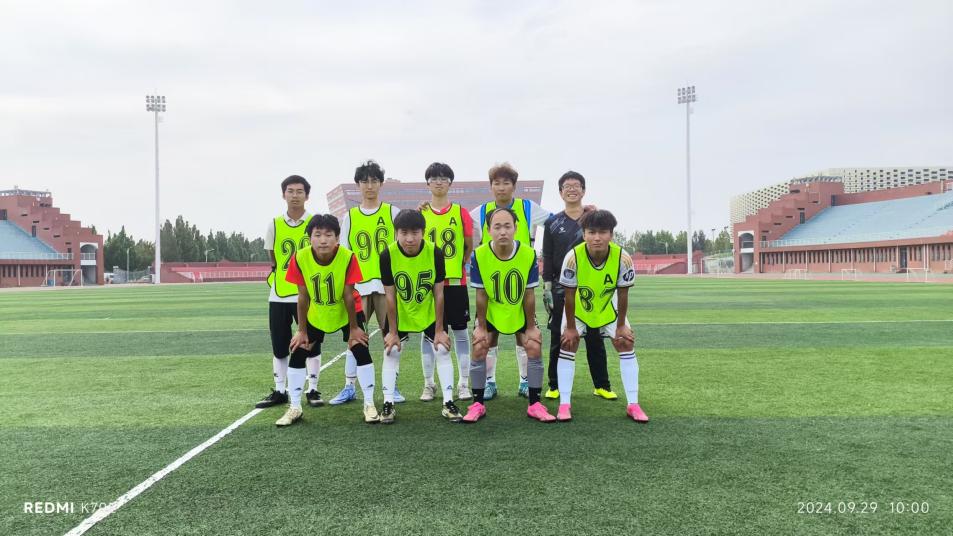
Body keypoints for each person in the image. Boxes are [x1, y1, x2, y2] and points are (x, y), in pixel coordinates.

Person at [279, 214, 380, 426]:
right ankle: (295, 407)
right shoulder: (300, 257)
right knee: (299, 350)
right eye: (318, 235)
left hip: (347, 311)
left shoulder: (348, 257)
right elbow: (303, 296)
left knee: (360, 348)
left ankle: (369, 404)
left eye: (328, 235)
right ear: (310, 238)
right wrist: (301, 330)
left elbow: (348, 295)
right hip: (317, 312)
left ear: (337, 237)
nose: (323, 240)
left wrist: (354, 328)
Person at [463, 207, 555, 423]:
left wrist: (531, 327)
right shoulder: (479, 255)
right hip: (493, 310)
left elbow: (529, 294)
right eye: (497, 227)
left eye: (507, 226)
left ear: (516, 228)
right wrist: (481, 327)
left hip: (518, 310)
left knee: (533, 344)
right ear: (488, 230)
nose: (502, 231)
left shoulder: (528, 254)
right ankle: (477, 404)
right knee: (479, 345)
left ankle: (535, 404)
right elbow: (481, 294)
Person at [557, 210, 649, 423]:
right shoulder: (572, 257)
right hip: (579, 308)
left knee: (625, 342)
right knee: (568, 344)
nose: (597, 237)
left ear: (611, 235)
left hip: (608, 307)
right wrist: (570, 327)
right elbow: (569, 295)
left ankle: (633, 404)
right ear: (584, 234)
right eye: (591, 232)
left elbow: (623, 293)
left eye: (603, 232)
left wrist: (621, 325)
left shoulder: (623, 258)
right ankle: (564, 404)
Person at [469, 163, 551, 399]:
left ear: (514, 186)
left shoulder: (527, 207)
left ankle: (525, 381)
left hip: (520, 279)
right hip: (494, 282)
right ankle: (489, 382)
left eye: (506, 182)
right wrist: (424, 210)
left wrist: (581, 212)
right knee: (489, 336)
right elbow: (455, 219)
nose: (501, 187)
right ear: (491, 186)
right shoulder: (481, 211)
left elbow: (556, 221)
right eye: (497, 183)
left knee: (523, 335)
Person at [329, 160, 405, 405]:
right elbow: (344, 255)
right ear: (358, 185)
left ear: (381, 184)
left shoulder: (392, 213)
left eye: (374, 181)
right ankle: (349, 386)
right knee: (356, 336)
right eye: (364, 181)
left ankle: (391, 387)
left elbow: (402, 249)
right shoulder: (349, 217)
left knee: (391, 335)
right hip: (359, 286)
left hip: (386, 286)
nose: (369, 186)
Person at [380, 209, 463, 423]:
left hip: (428, 310)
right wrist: (392, 331)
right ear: (396, 233)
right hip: (401, 311)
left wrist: (439, 329)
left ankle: (448, 402)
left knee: (442, 348)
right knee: (391, 351)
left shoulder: (435, 252)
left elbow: (439, 292)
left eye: (415, 232)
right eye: (404, 232)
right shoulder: (387, 254)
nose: (410, 238)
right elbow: (390, 295)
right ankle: (388, 403)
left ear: (423, 232)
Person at [541, 171, 616, 401]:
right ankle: (554, 385)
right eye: (567, 186)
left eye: (576, 185)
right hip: (561, 287)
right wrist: (547, 287)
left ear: (583, 190)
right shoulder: (552, 222)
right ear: (560, 192)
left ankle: (602, 385)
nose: (572, 189)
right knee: (558, 337)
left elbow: (607, 244)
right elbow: (548, 255)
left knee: (595, 338)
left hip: (590, 287)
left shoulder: (593, 219)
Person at [255, 175, 322, 409]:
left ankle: (313, 389)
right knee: (279, 344)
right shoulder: (274, 224)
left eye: (299, 191)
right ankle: (280, 390)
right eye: (290, 191)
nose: (295, 195)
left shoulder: (315, 223)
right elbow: (272, 256)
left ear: (307, 195)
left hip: (309, 293)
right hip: (280, 294)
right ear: (283, 194)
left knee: (311, 343)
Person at [419, 162, 475, 402]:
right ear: (428, 183)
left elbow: (468, 244)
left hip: (454, 282)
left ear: (450, 183)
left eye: (443, 178)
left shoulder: (461, 212)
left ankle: (463, 383)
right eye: (434, 178)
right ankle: (429, 383)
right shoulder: (421, 213)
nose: (439, 182)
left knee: (460, 332)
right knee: (428, 334)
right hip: (428, 284)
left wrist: (459, 265)